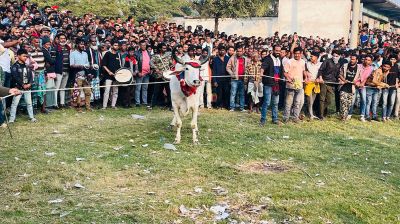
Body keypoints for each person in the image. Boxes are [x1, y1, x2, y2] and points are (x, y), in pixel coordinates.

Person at [9, 48, 36, 123]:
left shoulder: (27, 66)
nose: (25, 58)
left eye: (26, 56)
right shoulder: (15, 66)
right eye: (24, 56)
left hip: (27, 88)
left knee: (29, 103)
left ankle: (31, 117)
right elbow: (15, 77)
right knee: (15, 104)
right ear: (18, 56)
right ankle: (11, 119)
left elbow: (31, 76)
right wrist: (23, 84)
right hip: (18, 88)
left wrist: (30, 83)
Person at [283, 47, 307, 123]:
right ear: (293, 54)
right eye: (295, 53)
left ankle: (295, 118)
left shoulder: (303, 62)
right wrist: (289, 78)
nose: (296, 55)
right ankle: (286, 118)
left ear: (301, 54)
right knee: (288, 103)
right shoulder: (289, 61)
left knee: (297, 102)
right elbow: (285, 72)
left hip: (299, 85)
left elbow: (304, 71)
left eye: (298, 54)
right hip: (290, 85)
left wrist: (306, 77)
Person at [260, 45, 283, 125]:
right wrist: (262, 72)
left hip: (276, 84)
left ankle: (275, 119)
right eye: (276, 50)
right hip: (268, 84)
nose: (278, 52)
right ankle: (263, 120)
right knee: (267, 102)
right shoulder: (267, 59)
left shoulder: (279, 59)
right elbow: (263, 67)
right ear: (273, 50)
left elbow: (281, 71)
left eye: (279, 51)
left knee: (275, 103)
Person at [317, 50, 341, 120]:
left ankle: (319, 111)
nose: (335, 57)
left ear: (339, 56)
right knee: (322, 99)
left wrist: (339, 79)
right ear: (332, 55)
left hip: (332, 83)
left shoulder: (338, 64)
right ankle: (321, 115)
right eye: (334, 55)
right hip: (324, 82)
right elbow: (320, 70)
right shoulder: (327, 61)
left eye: (337, 56)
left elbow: (337, 75)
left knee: (329, 100)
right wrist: (320, 77)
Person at [69, 38, 91, 112]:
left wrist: (88, 70)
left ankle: (88, 107)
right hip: (77, 75)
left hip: (85, 75)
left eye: (83, 44)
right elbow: (71, 65)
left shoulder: (85, 53)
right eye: (81, 44)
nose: (82, 45)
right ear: (77, 45)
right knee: (77, 92)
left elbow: (87, 64)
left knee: (88, 91)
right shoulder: (72, 53)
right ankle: (78, 107)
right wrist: (80, 66)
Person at [150, 43, 172, 110]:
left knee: (169, 91)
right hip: (159, 76)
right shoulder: (155, 56)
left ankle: (170, 105)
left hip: (166, 76)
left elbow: (171, 63)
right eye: (163, 48)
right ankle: (152, 105)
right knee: (156, 91)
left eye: (165, 48)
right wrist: (155, 68)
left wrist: (170, 68)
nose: (165, 49)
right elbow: (150, 62)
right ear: (160, 49)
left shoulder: (168, 56)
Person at [351, 55, 373, 122]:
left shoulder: (371, 68)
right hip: (354, 84)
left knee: (363, 100)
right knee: (352, 100)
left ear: (371, 61)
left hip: (362, 86)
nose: (366, 61)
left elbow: (367, 77)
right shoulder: (358, 66)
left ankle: (362, 115)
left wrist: (362, 83)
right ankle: (349, 114)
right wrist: (356, 83)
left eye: (369, 60)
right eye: (366, 59)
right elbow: (354, 75)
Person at [227, 46, 248, 112]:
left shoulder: (245, 59)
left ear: (243, 51)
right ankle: (232, 107)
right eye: (238, 51)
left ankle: (242, 107)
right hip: (234, 79)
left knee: (242, 94)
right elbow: (227, 67)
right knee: (233, 93)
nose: (239, 52)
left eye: (240, 51)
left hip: (242, 79)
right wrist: (232, 74)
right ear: (236, 51)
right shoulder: (232, 58)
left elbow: (247, 68)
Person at [338, 54, 359, 121]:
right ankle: (343, 117)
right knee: (343, 101)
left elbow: (360, 77)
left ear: (356, 60)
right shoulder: (345, 65)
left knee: (348, 104)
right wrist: (344, 80)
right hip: (343, 86)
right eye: (351, 59)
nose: (351, 60)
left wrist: (357, 82)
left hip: (352, 88)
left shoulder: (359, 68)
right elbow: (340, 74)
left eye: (353, 59)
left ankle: (344, 115)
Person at [102, 39, 122, 109]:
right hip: (108, 75)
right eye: (115, 45)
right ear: (112, 45)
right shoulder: (107, 53)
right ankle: (104, 106)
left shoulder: (118, 54)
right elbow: (103, 65)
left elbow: (120, 66)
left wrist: (118, 74)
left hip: (116, 76)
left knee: (115, 91)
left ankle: (113, 105)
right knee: (107, 90)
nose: (116, 47)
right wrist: (109, 72)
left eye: (117, 45)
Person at [54, 33, 71, 108]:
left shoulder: (68, 48)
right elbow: (53, 60)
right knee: (56, 88)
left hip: (67, 70)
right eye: (61, 38)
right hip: (59, 71)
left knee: (63, 88)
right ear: (58, 39)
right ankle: (55, 104)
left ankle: (62, 103)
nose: (63, 40)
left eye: (64, 38)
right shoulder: (56, 48)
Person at [304, 51, 321, 119]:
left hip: (316, 84)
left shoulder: (320, 64)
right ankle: (311, 115)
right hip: (309, 83)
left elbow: (321, 73)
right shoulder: (307, 64)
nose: (310, 57)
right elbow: (304, 71)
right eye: (310, 56)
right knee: (309, 100)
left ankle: (307, 112)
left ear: (316, 57)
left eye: (312, 56)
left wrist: (319, 78)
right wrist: (306, 75)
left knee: (312, 100)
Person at [134, 39, 151, 107]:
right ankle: (137, 102)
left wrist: (151, 70)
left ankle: (144, 102)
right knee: (138, 88)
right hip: (140, 73)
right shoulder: (137, 53)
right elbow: (135, 64)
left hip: (147, 73)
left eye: (145, 45)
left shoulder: (148, 52)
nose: (144, 46)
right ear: (139, 46)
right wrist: (138, 72)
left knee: (145, 88)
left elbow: (150, 62)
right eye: (142, 45)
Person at [212, 45, 230, 109]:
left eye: (223, 50)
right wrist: (214, 81)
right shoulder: (215, 59)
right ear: (218, 51)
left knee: (226, 93)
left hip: (226, 79)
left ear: (225, 51)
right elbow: (213, 70)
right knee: (219, 93)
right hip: (218, 79)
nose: (222, 51)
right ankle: (219, 105)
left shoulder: (228, 58)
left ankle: (226, 105)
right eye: (220, 50)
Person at [381, 56, 398, 122]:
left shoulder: (397, 66)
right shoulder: (386, 67)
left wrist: (397, 83)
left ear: (396, 60)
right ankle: (383, 117)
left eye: (394, 59)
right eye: (391, 58)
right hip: (385, 87)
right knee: (384, 102)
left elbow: (397, 76)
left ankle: (388, 116)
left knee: (392, 103)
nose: (392, 60)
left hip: (393, 88)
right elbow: (382, 77)